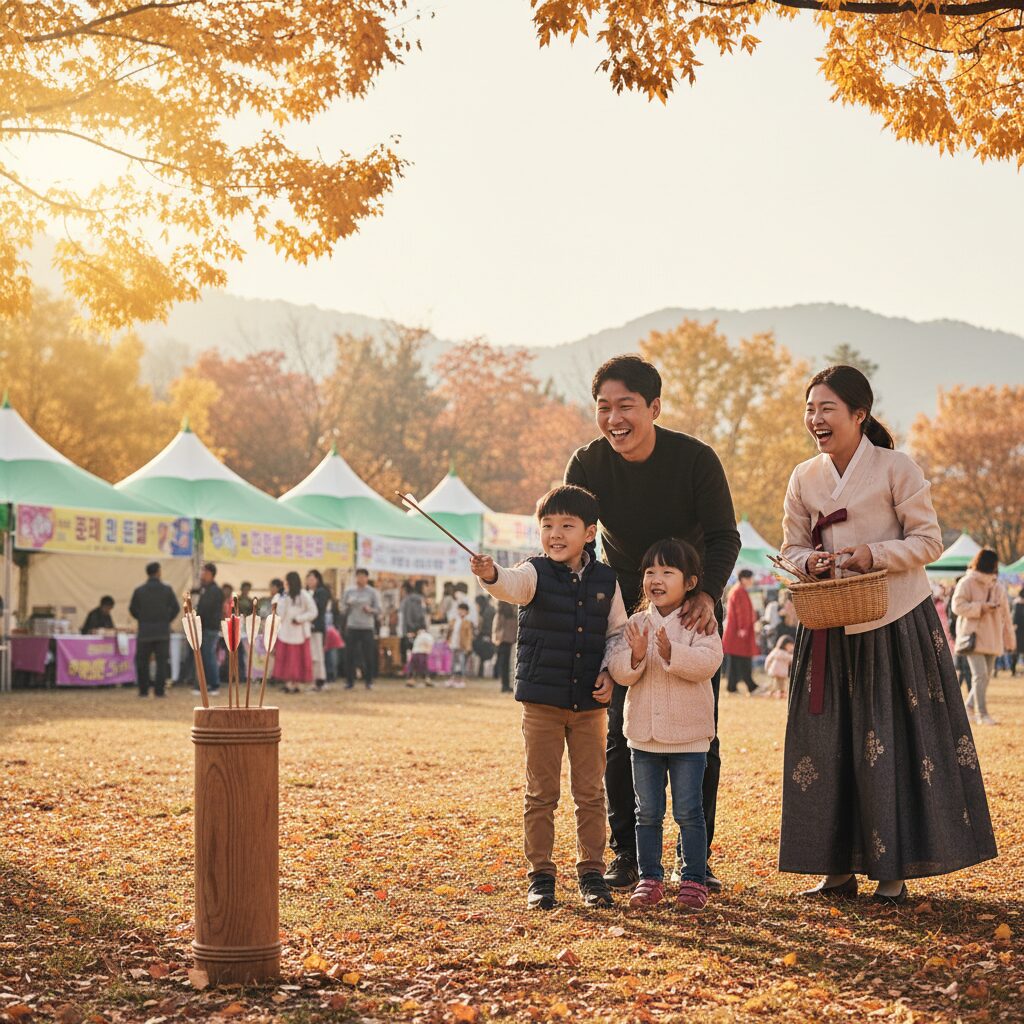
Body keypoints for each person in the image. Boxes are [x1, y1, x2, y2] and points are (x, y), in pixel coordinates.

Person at [780, 364, 996, 904]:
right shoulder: (804, 476)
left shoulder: (897, 467)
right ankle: (834, 872)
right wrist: (811, 564)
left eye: (827, 408)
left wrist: (871, 554)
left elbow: (929, 540)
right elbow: (790, 547)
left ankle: (892, 874)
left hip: (894, 620)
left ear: (859, 414)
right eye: (810, 409)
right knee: (827, 746)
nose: (815, 419)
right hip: (829, 623)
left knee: (890, 744)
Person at [565, 354, 740, 892]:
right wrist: (589, 632)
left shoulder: (695, 459)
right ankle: (626, 854)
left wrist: (707, 592)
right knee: (623, 728)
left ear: (654, 408)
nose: (614, 418)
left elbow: (724, 535)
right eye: (604, 408)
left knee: (698, 732)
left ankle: (697, 860)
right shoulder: (589, 463)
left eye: (626, 406)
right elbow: (573, 542)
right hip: (621, 605)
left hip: (692, 600)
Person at [471, 484, 627, 911]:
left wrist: (610, 674)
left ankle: (592, 873)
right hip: (541, 703)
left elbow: (617, 634)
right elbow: (511, 586)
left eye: (566, 526)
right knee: (541, 793)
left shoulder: (606, 580)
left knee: (591, 793)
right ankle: (540, 875)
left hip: (590, 705)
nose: (555, 534)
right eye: (547, 526)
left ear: (590, 533)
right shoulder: (534, 570)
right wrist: (490, 575)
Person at [606, 538, 722, 913]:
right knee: (647, 812)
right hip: (643, 738)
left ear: (689, 582)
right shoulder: (636, 622)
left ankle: (693, 877)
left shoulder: (698, 620)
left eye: (666, 572)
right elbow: (621, 673)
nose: (656, 579)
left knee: (689, 811)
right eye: (649, 572)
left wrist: (675, 653)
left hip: (689, 737)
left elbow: (710, 662)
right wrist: (637, 656)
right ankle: (649, 877)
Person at [951, 550, 1015, 726]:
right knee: (980, 675)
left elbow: (1006, 615)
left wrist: (1010, 638)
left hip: (993, 636)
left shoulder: (998, 586)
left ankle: (969, 707)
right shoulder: (967, 582)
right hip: (973, 636)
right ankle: (982, 714)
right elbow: (957, 606)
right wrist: (981, 607)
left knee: (985, 677)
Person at [128, 562, 179, 698]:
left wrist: (142, 618)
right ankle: (159, 691)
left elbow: (132, 609)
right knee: (161, 662)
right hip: (162, 631)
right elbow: (176, 608)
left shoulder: (139, 591)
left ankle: (143, 690)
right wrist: (166, 619)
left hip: (145, 631)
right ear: (158, 572)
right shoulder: (167, 589)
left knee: (142, 661)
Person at [276, 571, 318, 694]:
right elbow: (280, 614)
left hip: (300, 632)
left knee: (298, 660)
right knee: (287, 659)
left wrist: (299, 619)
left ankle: (297, 684)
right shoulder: (285, 596)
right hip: (286, 632)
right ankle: (288, 684)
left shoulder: (304, 595)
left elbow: (313, 612)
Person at [341, 568, 381, 690]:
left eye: (363, 576)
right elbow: (342, 608)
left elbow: (379, 609)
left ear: (367, 578)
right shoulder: (349, 591)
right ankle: (349, 681)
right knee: (350, 655)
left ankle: (369, 680)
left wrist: (370, 610)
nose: (361, 579)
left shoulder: (372, 592)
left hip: (367, 627)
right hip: (352, 625)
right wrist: (348, 605)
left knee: (368, 654)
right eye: (358, 576)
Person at [723, 570, 759, 695]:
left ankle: (732, 687)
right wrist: (743, 627)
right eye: (750, 578)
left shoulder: (736, 590)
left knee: (735, 660)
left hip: (735, 631)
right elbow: (741, 611)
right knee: (744, 659)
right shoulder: (739, 592)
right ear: (743, 579)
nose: (751, 581)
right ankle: (751, 686)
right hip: (739, 632)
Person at [194, 563, 223, 695]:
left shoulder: (215, 590)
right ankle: (204, 684)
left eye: (204, 572)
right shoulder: (204, 589)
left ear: (210, 574)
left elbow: (207, 609)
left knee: (209, 655)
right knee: (205, 656)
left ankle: (214, 684)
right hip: (204, 627)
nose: (201, 575)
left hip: (209, 628)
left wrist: (198, 618)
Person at [306, 569, 332, 692]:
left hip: (317, 628)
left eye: (312, 578)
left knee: (318, 655)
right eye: (308, 579)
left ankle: (320, 680)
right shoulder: (309, 592)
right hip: (310, 628)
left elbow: (319, 609)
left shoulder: (321, 592)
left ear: (317, 579)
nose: (309, 581)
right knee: (313, 655)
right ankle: (316, 680)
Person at [447, 603, 474, 688]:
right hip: (453, 644)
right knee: (453, 663)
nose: (461, 612)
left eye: (463, 611)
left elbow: (469, 636)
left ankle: (462, 680)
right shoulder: (454, 620)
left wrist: (468, 646)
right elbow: (449, 632)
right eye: (460, 610)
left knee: (462, 663)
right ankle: (452, 679)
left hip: (462, 646)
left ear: (467, 612)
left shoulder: (467, 622)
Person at [493, 600, 518, 693]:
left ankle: (504, 685)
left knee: (503, 664)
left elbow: (496, 627)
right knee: (507, 664)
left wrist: (496, 638)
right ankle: (506, 685)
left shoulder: (501, 613)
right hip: (510, 640)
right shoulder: (512, 614)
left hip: (502, 640)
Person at [763, 635, 795, 699]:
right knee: (780, 685)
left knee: (777, 684)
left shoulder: (775, 651)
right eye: (790, 646)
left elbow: (768, 660)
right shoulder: (782, 653)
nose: (791, 647)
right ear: (784, 645)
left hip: (774, 671)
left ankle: (776, 693)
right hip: (780, 672)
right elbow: (790, 658)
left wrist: (767, 668)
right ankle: (776, 694)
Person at [1013, 588, 1024, 677]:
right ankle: (1013, 670)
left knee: (1016, 652)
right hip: (1018, 632)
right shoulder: (1017, 605)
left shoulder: (1017, 605)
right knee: (1015, 652)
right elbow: (1015, 619)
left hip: (1019, 631)